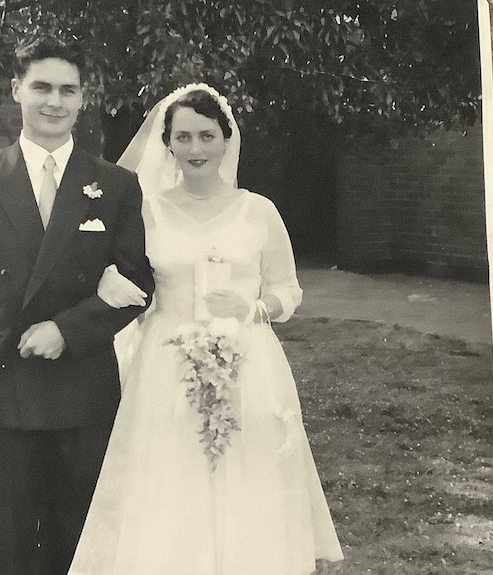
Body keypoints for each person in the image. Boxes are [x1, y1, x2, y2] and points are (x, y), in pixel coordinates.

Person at [70, 84, 344, 574]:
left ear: (225, 139)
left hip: (249, 361)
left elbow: (289, 291)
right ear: (168, 144)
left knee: (247, 473)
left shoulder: (258, 210)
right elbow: (124, 277)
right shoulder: (144, 212)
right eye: (184, 137)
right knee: (172, 479)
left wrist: (255, 307)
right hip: (165, 363)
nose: (195, 149)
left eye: (206, 135)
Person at [0, 38, 154, 575]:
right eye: (42, 87)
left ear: (82, 99)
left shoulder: (116, 185)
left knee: (79, 540)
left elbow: (136, 280)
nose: (54, 102)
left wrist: (68, 328)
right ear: (17, 90)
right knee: (9, 542)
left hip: (84, 388)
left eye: (68, 90)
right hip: (4, 390)